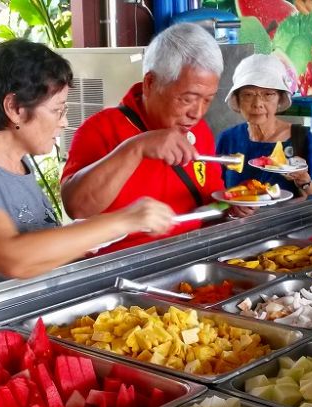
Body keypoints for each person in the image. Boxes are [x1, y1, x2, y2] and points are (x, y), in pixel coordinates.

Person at [0, 39, 174, 290]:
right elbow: (13, 259)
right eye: (57, 110)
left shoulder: (20, 165)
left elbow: (39, 253)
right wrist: (123, 220)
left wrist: (87, 243)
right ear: (14, 108)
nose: (64, 122)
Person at [60, 23, 233, 254]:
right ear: (151, 83)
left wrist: (233, 206)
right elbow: (78, 208)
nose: (197, 113)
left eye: (207, 100)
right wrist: (136, 148)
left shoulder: (199, 131)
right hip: (121, 266)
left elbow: (211, 203)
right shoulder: (100, 129)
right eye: (188, 99)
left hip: (189, 257)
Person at [216, 54, 312, 198]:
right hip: (239, 214)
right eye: (248, 95)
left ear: (280, 99)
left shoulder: (301, 138)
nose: (257, 104)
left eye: (268, 94)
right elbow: (215, 190)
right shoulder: (228, 139)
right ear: (238, 100)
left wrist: (304, 181)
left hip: (288, 214)